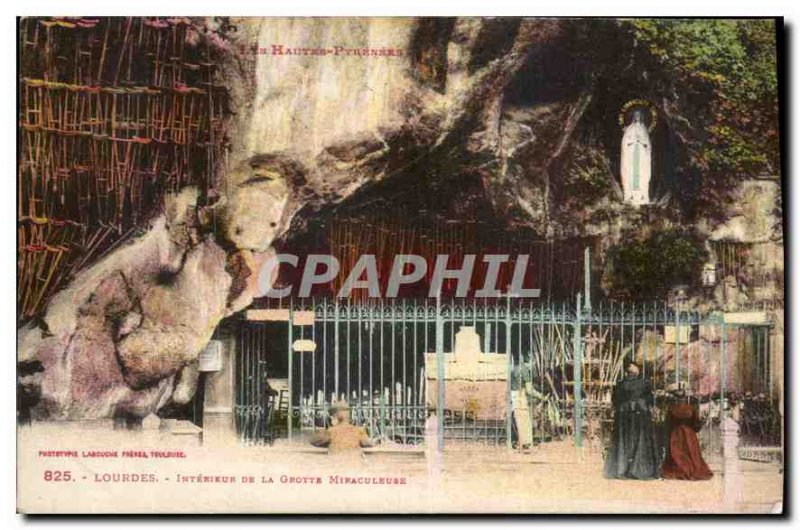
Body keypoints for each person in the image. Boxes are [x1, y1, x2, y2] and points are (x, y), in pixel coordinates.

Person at [604, 362, 659, 480]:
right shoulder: (645, 383)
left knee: (623, 440)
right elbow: (651, 399)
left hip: (623, 415)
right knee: (641, 440)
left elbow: (615, 400)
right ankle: (640, 469)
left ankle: (622, 469)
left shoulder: (620, 384)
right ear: (637, 371)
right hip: (640, 414)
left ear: (626, 372)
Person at [661, 385, 713, 480]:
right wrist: (700, 424)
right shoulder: (690, 408)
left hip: (676, 433)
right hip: (689, 433)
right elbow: (696, 423)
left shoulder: (672, 409)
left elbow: (668, 424)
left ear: (676, 398)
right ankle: (691, 469)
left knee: (677, 452)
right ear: (685, 397)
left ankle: (679, 470)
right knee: (690, 451)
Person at [310, 400, 374, 453]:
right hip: (354, 463)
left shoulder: (331, 431)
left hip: (336, 464)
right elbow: (369, 443)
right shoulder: (359, 431)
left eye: (332, 416)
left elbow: (313, 441)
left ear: (335, 416)